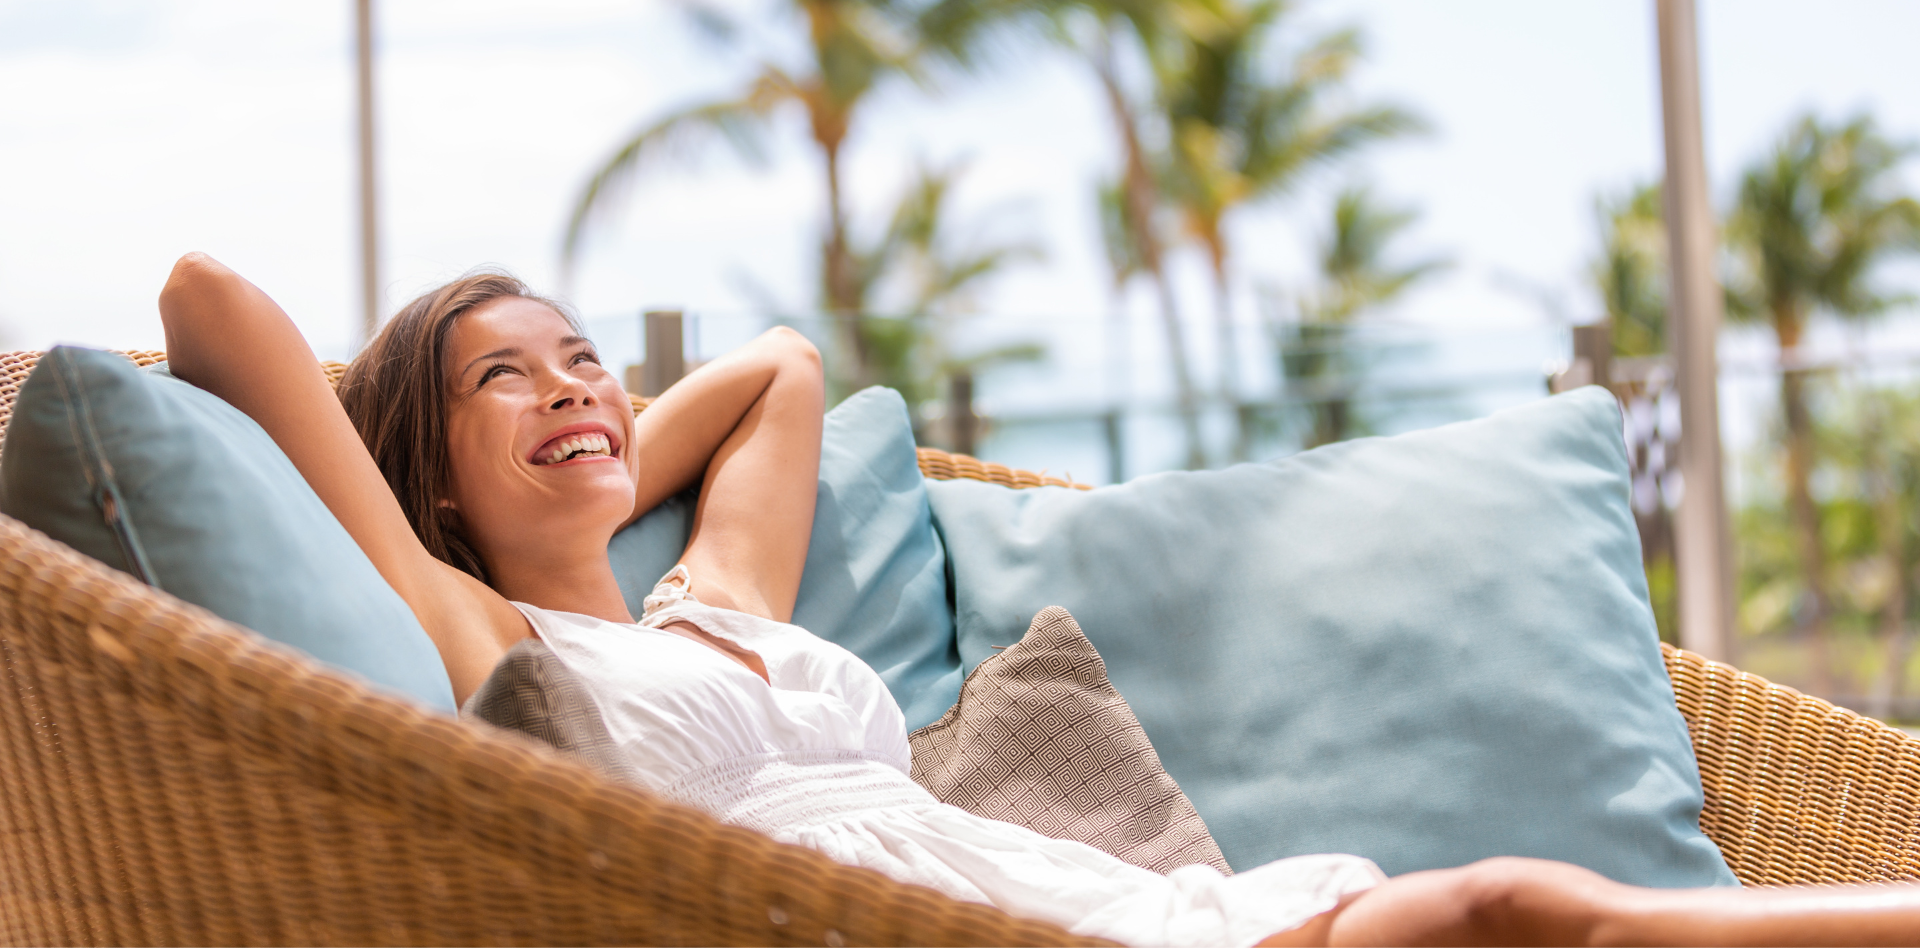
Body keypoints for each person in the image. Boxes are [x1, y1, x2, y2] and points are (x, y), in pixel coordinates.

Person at [158, 254, 1920, 947]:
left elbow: (779, 365)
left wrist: (604, 437)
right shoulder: (481, 642)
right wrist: (449, 506)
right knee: (1516, 912)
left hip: (1061, 895)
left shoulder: (718, 593)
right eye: (505, 384)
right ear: (427, 476)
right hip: (871, 924)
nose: (572, 393)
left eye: (588, 361)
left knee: (1515, 917)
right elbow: (209, 304)